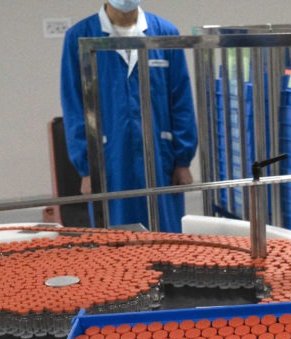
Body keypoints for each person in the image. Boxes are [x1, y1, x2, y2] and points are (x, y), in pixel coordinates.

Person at [60, 1, 198, 232]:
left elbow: (180, 98)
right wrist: (87, 167)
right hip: (109, 158)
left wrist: (183, 160)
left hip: (160, 156)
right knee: (116, 239)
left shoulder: (165, 33)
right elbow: (74, 105)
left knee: (165, 235)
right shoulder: (80, 36)